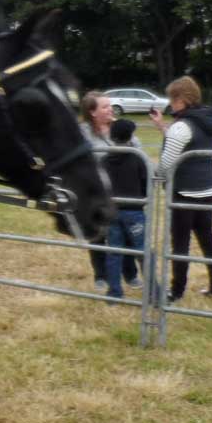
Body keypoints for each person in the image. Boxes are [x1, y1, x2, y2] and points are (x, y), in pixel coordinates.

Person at [150, 75, 212, 301]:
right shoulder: (206, 120)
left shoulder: (182, 126)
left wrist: (156, 178)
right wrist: (163, 127)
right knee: (207, 239)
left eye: (173, 99)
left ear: (182, 99)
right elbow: (186, 143)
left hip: (185, 192)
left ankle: (177, 291)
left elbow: (168, 161)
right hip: (208, 190)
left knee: (180, 243)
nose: (170, 104)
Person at [80, 92, 141, 291]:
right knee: (98, 234)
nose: (110, 110)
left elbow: (137, 151)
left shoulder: (121, 127)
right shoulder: (82, 133)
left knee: (126, 234)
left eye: (110, 106)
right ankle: (101, 275)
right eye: (105, 107)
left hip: (122, 192)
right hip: (94, 193)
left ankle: (130, 274)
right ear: (92, 112)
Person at [103, 118, 148, 299]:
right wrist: (142, 200)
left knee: (114, 252)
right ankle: (153, 292)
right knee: (142, 251)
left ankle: (114, 292)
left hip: (113, 211)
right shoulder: (137, 157)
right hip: (134, 211)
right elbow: (146, 183)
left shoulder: (105, 159)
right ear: (131, 135)